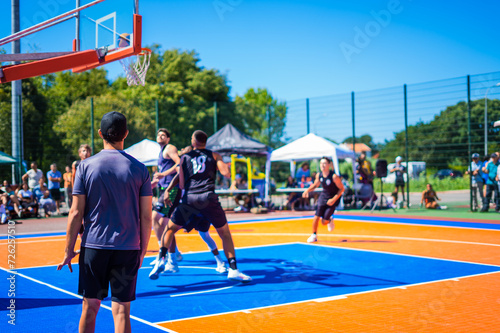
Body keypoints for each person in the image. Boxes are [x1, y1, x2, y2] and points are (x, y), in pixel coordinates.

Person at [57, 111, 152, 333]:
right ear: (126, 134)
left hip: (93, 247)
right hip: (127, 247)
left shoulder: (85, 166)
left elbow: (75, 212)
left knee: (90, 308)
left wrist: (68, 250)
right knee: (121, 312)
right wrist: (142, 249)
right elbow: (146, 216)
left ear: (100, 134)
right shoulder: (140, 169)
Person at [149, 130, 251, 282]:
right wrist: (224, 164)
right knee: (224, 233)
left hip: (190, 200)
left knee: (169, 229)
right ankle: (233, 269)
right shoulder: (214, 155)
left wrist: (169, 189)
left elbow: (182, 184)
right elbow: (226, 174)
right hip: (208, 198)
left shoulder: (185, 158)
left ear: (193, 141)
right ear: (205, 141)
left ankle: (162, 259)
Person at [149, 128, 182, 267]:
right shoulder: (161, 152)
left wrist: (163, 175)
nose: (160, 136)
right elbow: (163, 173)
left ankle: (166, 255)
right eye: (158, 134)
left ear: (168, 139)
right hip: (163, 188)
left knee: (155, 217)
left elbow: (179, 164)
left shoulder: (169, 148)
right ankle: (172, 253)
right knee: (164, 223)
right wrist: (154, 183)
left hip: (172, 188)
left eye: (163, 135)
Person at [302, 157, 345, 243]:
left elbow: (342, 189)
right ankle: (314, 235)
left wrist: (333, 199)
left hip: (333, 199)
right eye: (321, 163)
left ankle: (329, 220)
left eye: (325, 163)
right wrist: (307, 190)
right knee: (316, 217)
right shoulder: (319, 175)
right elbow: (315, 185)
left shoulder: (334, 177)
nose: (323, 165)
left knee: (324, 222)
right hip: (323, 197)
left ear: (329, 165)